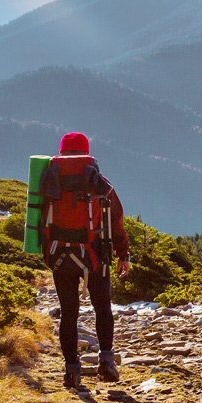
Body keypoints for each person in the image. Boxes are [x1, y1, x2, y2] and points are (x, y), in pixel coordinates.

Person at [40, 132, 130, 389]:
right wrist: (123, 255)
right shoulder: (97, 181)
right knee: (103, 307)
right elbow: (116, 221)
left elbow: (37, 216)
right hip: (95, 256)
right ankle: (106, 360)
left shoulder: (49, 180)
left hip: (59, 255)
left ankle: (71, 370)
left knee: (69, 313)